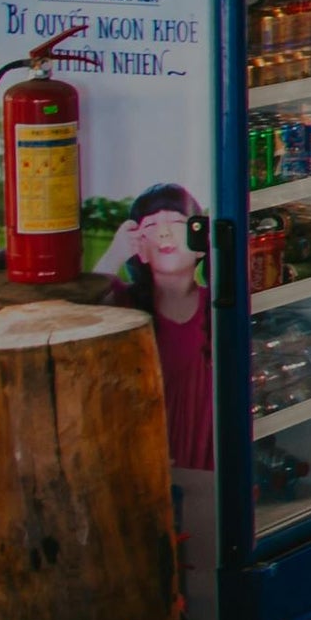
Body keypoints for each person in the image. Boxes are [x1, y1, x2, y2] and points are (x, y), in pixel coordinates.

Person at [104, 184, 215, 471]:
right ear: (139, 248)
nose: (165, 233)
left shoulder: (219, 305)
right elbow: (76, 316)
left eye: (177, 223)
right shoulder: (122, 302)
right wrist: (114, 254)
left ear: (201, 245)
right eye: (151, 225)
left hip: (210, 473)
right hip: (143, 465)